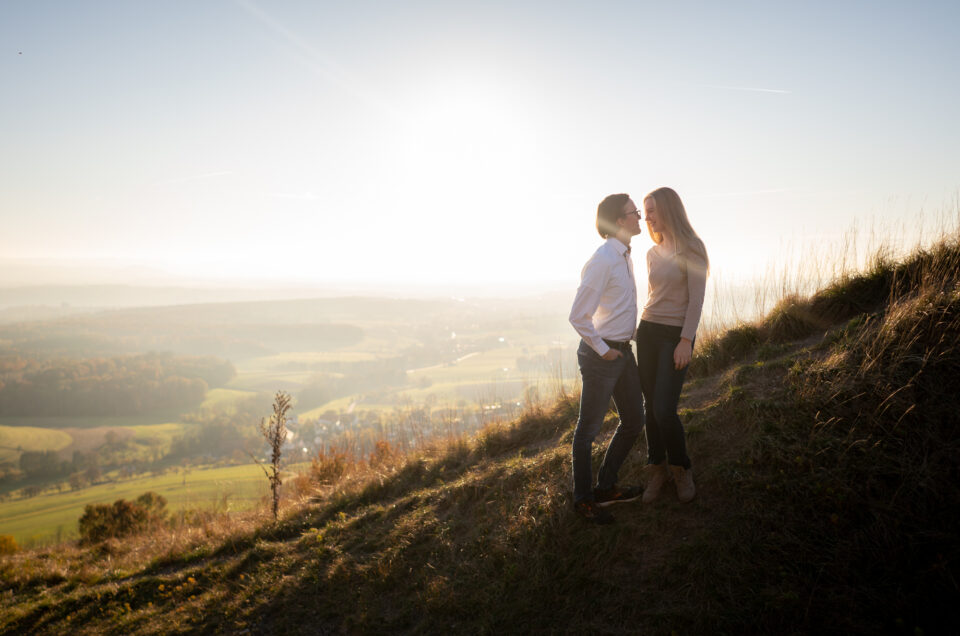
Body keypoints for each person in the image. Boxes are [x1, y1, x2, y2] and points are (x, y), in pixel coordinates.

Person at [568, 193, 646, 524]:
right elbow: (577, 316)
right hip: (603, 355)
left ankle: (606, 487)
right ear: (619, 221)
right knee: (587, 431)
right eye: (635, 212)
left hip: (622, 352)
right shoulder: (603, 260)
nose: (640, 217)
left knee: (633, 420)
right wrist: (604, 350)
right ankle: (583, 501)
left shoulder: (625, 255)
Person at [636, 187, 708, 504]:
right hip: (648, 332)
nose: (646, 217)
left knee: (665, 409)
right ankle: (657, 469)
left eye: (651, 210)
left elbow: (695, 301)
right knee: (650, 407)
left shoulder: (692, 248)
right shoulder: (652, 252)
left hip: (674, 336)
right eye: (644, 210)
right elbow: (653, 298)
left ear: (668, 209)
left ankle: (681, 468)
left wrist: (685, 341)